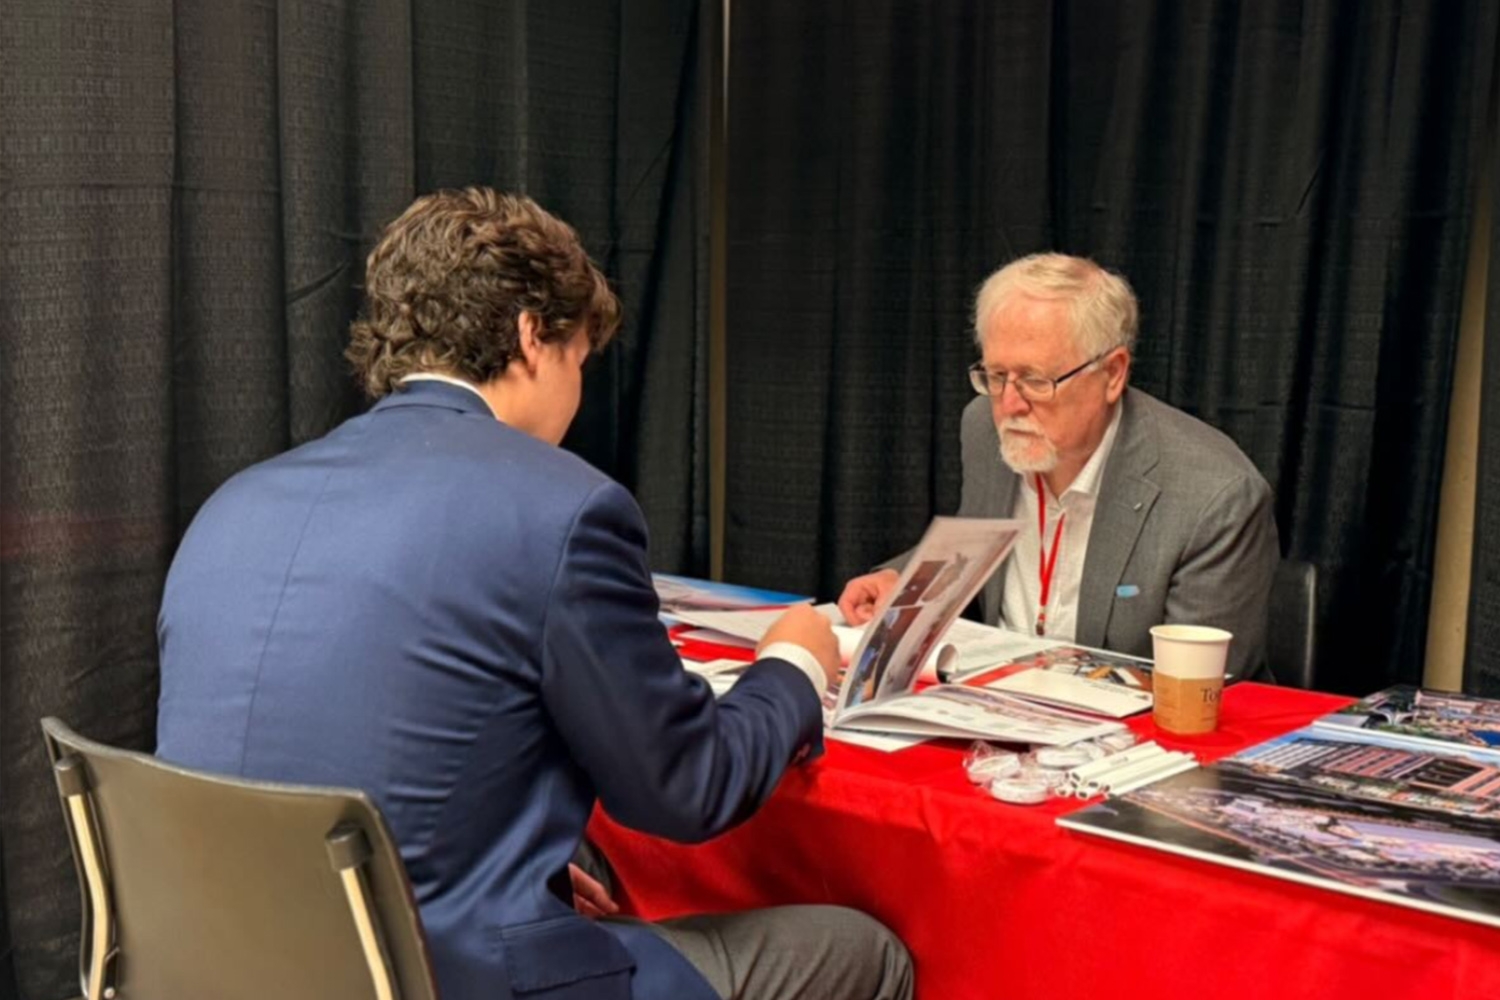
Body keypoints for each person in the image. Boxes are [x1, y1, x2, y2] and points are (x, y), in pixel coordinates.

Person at [156, 188, 912, 1000]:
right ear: (529, 337)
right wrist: (792, 666)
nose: (578, 397)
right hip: (449, 975)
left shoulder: (233, 503)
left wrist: (522, 873)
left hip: (227, 969)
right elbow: (689, 790)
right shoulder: (562, 509)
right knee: (865, 953)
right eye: (580, 360)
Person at [838, 253, 1278, 680]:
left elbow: (1202, 691)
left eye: (1035, 380)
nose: (1010, 405)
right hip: (990, 709)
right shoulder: (982, 427)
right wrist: (908, 582)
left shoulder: (1214, 496)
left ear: (1112, 375)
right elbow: (974, 540)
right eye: (996, 375)